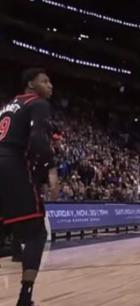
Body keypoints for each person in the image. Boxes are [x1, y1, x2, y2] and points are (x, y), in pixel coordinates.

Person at [0, 68, 58, 306]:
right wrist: (47, 172)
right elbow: (38, 142)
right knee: (37, 233)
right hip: (13, 166)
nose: (50, 85)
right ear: (31, 85)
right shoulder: (38, 103)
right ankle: (25, 298)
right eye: (45, 81)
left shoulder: (7, 106)